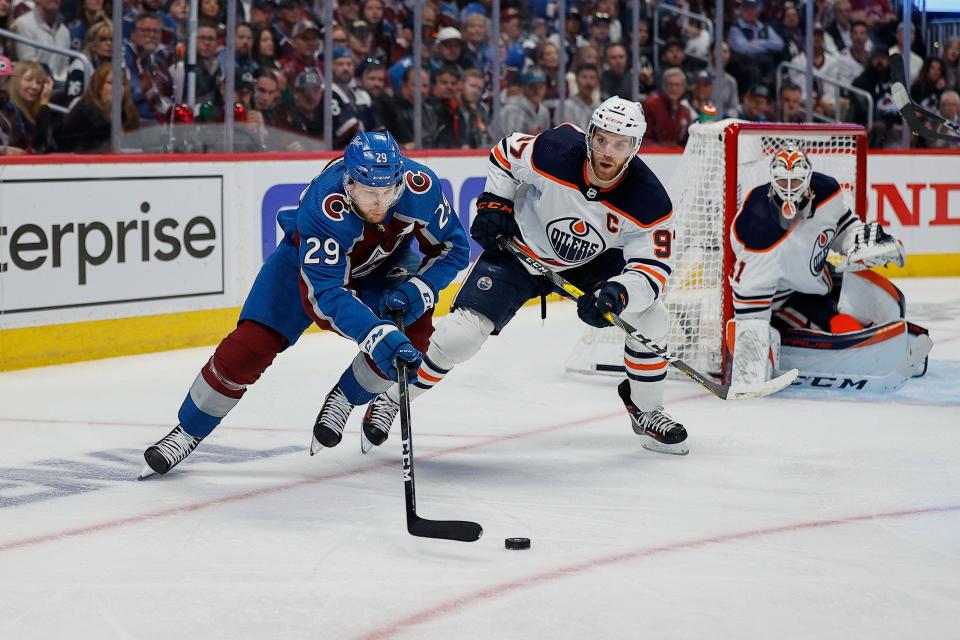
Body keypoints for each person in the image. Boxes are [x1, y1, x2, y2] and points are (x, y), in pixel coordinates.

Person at [359, 97, 689, 457]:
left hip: (589, 263)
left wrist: (619, 293)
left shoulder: (650, 201)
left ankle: (646, 408)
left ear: (635, 147)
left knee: (653, 317)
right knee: (459, 337)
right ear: (590, 134)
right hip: (520, 250)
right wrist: (495, 202)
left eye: (620, 144)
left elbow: (652, 270)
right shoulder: (555, 150)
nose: (607, 152)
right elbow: (504, 154)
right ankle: (391, 400)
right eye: (601, 139)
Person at [140, 131, 470, 477]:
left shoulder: (419, 187)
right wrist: (374, 334)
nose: (379, 203)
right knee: (247, 349)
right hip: (304, 268)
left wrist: (423, 287)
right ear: (348, 181)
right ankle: (188, 430)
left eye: (388, 192)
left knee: (413, 334)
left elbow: (453, 249)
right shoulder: (324, 205)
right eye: (368, 192)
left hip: (383, 264)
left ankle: (345, 397)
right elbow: (326, 295)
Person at [726, 146, 930, 391]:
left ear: (808, 178)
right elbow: (750, 313)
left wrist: (860, 241)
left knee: (891, 302)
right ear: (772, 181)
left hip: (819, 279)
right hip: (782, 298)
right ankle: (862, 351)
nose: (789, 189)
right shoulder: (758, 233)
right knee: (842, 325)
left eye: (796, 181)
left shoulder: (826, 191)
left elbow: (842, 228)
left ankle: (887, 343)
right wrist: (752, 357)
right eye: (782, 180)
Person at [56, 62, 139, 151]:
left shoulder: (128, 112)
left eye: (121, 83)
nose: (117, 88)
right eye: (110, 83)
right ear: (98, 86)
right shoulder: (88, 111)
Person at [12, 0, 71, 80]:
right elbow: (28, 65)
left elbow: (64, 69)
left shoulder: (64, 31)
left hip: (58, 87)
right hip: (32, 84)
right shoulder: (23, 24)